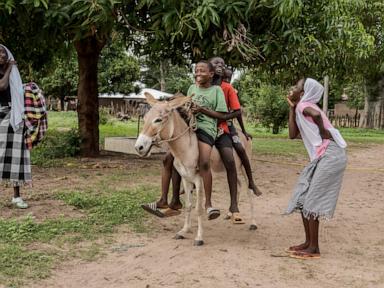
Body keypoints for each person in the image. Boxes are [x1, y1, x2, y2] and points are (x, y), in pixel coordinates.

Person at [284, 78, 347, 259]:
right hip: (325, 155)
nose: (292, 88)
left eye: (296, 86)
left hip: (330, 155)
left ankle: (314, 248)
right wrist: (291, 107)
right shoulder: (300, 107)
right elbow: (292, 134)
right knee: (304, 198)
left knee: (312, 200)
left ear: (303, 93)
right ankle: (308, 243)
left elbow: (317, 117)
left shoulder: (305, 105)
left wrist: (322, 132)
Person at [209, 57, 261, 197]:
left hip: (227, 125)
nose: (227, 80)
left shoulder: (228, 89)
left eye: (229, 78)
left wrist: (243, 130)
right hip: (207, 125)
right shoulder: (204, 86)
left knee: (240, 148)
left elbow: (237, 112)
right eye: (227, 77)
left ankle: (251, 181)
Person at [0, 44, 31, 209]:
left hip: (11, 116)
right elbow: (2, 86)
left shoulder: (12, 74)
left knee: (15, 156)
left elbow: (18, 92)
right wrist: (10, 68)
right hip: (1, 116)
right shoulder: (8, 73)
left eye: (4, 52)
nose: (2, 55)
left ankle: (16, 196)